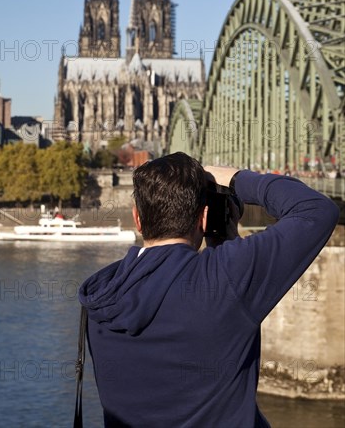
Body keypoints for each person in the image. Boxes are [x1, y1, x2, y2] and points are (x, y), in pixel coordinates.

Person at [79, 152, 339, 428]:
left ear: (137, 220)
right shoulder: (226, 278)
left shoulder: (101, 292)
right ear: (204, 218)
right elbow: (317, 210)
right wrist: (234, 178)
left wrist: (222, 249)